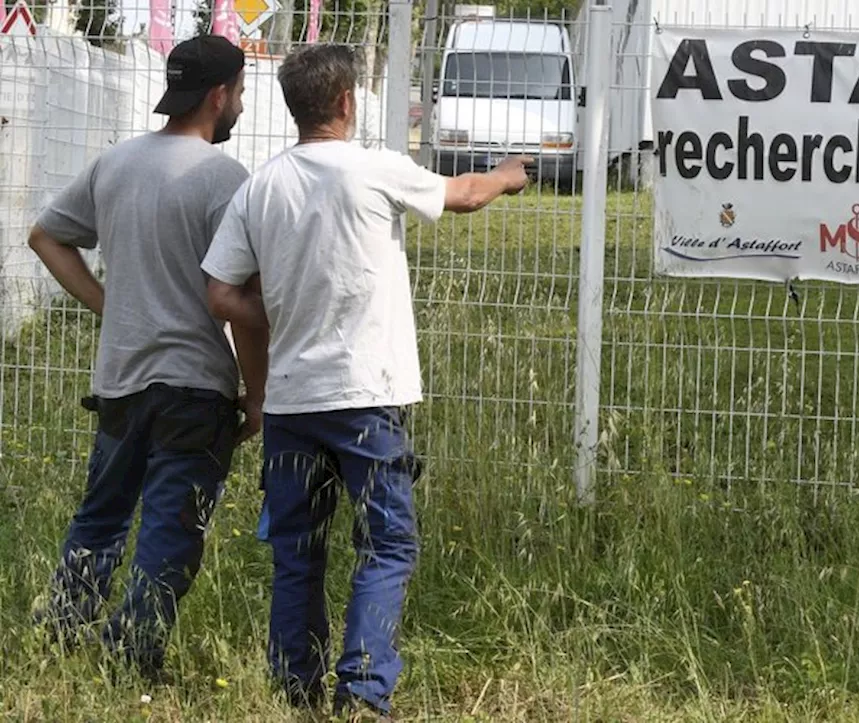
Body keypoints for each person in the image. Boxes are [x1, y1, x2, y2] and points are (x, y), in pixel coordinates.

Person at [201, 43, 530, 719]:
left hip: (292, 401)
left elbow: (219, 294)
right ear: (348, 102)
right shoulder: (373, 169)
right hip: (368, 399)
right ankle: (363, 687)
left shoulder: (260, 187)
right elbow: (463, 195)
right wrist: (505, 174)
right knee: (387, 543)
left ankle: (298, 688)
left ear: (295, 107)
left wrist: (281, 312)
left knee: (298, 551)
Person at [28, 35, 270, 680]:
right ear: (220, 95)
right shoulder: (226, 181)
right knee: (172, 528)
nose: (240, 105)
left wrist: (109, 305)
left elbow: (45, 237)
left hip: (122, 381)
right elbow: (238, 302)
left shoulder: (116, 163)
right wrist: (258, 396)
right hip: (195, 387)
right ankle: (131, 651)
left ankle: (63, 628)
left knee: (101, 513)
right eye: (241, 93)